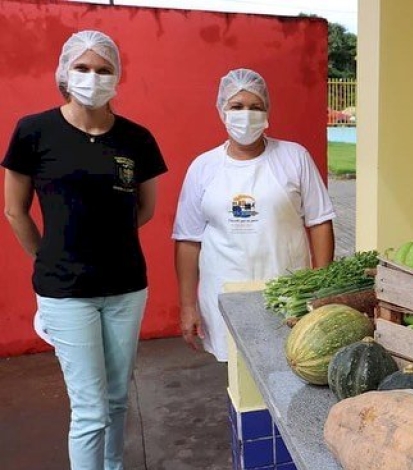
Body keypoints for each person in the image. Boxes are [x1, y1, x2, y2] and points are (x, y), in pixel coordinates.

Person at [1, 30, 167, 469]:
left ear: (117, 77)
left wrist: (102, 238)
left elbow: (146, 207)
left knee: (116, 401)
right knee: (90, 409)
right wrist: (50, 255)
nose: (93, 77)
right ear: (65, 72)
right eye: (83, 67)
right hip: (65, 292)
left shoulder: (136, 139)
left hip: (126, 287)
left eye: (103, 69)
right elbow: (14, 210)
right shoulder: (34, 131)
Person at [172, 68, 336, 362]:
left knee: (291, 365)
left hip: (288, 292)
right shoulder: (203, 167)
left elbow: (320, 221)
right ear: (223, 111)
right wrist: (187, 306)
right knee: (238, 378)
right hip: (225, 295)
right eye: (237, 107)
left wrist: (321, 289)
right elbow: (187, 240)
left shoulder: (293, 157)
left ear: (266, 111)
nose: (245, 115)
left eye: (255, 107)